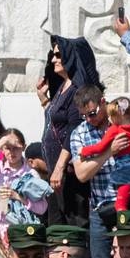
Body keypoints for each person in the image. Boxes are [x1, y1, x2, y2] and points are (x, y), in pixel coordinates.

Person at [70, 86, 130, 258]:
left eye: (92, 113)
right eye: (84, 116)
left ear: (103, 102)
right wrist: (109, 152)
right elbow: (82, 174)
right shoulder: (79, 134)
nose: (89, 119)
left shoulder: (127, 121)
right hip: (102, 208)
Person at [42, 36, 102, 226]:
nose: (53, 60)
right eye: (53, 55)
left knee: (74, 224)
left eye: (58, 55)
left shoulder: (78, 91)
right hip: (56, 170)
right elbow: (56, 122)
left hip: (68, 172)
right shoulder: (62, 87)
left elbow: (73, 131)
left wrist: (59, 168)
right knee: (57, 224)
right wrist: (43, 99)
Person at [76, 97, 130, 212]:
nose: (109, 119)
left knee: (122, 196)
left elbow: (99, 148)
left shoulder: (114, 129)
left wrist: (84, 151)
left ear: (119, 115)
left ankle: (122, 216)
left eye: (112, 116)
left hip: (125, 166)